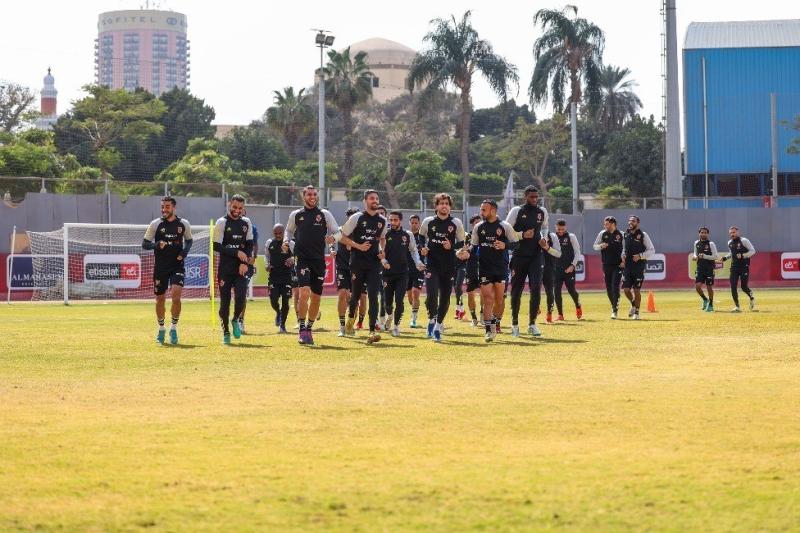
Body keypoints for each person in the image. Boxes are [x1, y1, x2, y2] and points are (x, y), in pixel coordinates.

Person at [284, 185, 338, 345]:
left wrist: (333, 238)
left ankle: (309, 328)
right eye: (309, 194)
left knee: (316, 297)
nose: (312, 197)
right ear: (303, 196)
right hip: (302, 258)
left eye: (314, 194)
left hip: (319, 260)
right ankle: (302, 329)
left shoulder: (325, 214)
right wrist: (286, 241)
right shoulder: (296, 214)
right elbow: (289, 230)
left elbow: (337, 231)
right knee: (304, 292)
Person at [337, 190, 388, 344]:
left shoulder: (382, 220)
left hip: (374, 264)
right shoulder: (356, 217)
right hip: (357, 263)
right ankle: (350, 321)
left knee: (373, 295)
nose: (375, 200)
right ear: (365, 201)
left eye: (377, 198)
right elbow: (341, 236)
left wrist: (382, 251)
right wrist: (358, 246)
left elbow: (382, 239)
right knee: (355, 296)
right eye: (372, 198)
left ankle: (372, 330)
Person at [142, 196, 193, 345]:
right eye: (162, 207)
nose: (164, 209)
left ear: (174, 208)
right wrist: (156, 244)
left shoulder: (183, 224)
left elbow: (189, 240)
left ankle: (174, 328)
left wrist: (184, 252)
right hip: (161, 267)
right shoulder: (155, 224)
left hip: (177, 266)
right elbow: (144, 244)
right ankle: (161, 328)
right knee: (160, 299)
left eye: (167, 207)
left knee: (176, 296)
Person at [419, 193, 469, 342]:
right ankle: (431, 319)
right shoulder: (428, 221)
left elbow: (462, 242)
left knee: (445, 298)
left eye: (447, 203)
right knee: (431, 295)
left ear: (450, 207)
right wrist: (423, 248)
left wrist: (451, 246)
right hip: (432, 264)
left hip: (449, 266)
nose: (444, 206)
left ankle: (437, 326)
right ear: (436, 206)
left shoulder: (456, 222)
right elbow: (421, 236)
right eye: (441, 203)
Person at [470, 200, 518, 342]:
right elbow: (473, 246)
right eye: (481, 209)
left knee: (499, 300)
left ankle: (496, 321)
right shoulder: (478, 227)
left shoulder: (505, 226)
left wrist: (505, 245)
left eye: (484, 210)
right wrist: (466, 253)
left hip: (501, 268)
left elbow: (516, 244)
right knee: (487, 299)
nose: (481, 212)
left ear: (493, 211)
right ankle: (488, 330)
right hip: (484, 268)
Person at [505, 185, 549, 337]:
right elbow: (506, 231)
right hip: (519, 255)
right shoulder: (516, 211)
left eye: (536, 197)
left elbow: (544, 228)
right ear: (525, 197)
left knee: (536, 288)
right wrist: (522, 235)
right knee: (517, 290)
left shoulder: (542, 212)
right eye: (531, 197)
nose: (535, 199)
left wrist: (544, 238)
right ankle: (514, 323)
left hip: (536, 256)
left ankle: (532, 324)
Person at [212, 194, 254, 344]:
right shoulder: (222, 222)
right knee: (225, 302)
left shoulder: (246, 222)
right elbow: (216, 246)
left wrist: (245, 262)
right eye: (235, 207)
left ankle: (235, 319)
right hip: (225, 269)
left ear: (244, 208)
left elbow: (249, 244)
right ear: (230, 204)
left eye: (240, 208)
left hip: (241, 268)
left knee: (241, 298)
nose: (237, 210)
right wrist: (236, 252)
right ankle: (226, 332)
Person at [381, 211, 425, 336]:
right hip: (387, 273)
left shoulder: (407, 234)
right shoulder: (385, 234)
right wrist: (383, 261)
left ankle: (396, 326)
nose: (392, 222)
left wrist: (418, 262)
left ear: (400, 221)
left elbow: (413, 250)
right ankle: (390, 316)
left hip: (402, 273)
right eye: (391, 220)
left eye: (395, 220)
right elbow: (380, 250)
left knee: (399, 300)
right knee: (387, 303)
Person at [332, 207, 365, 336]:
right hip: (342, 267)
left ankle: (350, 325)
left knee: (354, 299)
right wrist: (332, 250)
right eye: (351, 217)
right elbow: (331, 240)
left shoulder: (361, 233)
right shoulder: (341, 231)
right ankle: (341, 327)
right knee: (342, 294)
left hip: (357, 268)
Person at [621, 215, 655, 320]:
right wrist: (623, 255)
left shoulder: (643, 235)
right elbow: (623, 248)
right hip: (627, 266)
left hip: (639, 266)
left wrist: (640, 256)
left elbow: (651, 250)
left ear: (637, 223)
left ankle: (636, 312)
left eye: (633, 221)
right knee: (626, 289)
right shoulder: (625, 234)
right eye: (629, 221)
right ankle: (633, 304)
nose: (630, 223)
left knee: (636, 290)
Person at [593, 216, 624, 319]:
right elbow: (595, 246)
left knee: (615, 286)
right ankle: (614, 305)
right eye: (604, 224)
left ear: (613, 224)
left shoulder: (621, 234)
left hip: (618, 265)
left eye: (607, 224)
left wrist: (624, 261)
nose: (605, 226)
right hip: (606, 264)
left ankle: (615, 310)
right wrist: (601, 246)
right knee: (608, 288)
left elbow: (626, 248)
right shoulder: (602, 234)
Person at [265, 223, 294, 332]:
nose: (277, 235)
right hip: (273, 276)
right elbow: (267, 256)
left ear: (284, 232)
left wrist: (292, 259)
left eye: (280, 233)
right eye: (275, 233)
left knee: (285, 301)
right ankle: (278, 312)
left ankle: (282, 325)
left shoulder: (290, 243)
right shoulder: (269, 243)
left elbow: (298, 256)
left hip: (287, 276)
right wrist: (267, 264)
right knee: (273, 300)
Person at [553, 219, 582, 320]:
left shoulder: (571, 236)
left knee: (571, 290)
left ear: (566, 227)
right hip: (556, 270)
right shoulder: (552, 237)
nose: (561, 231)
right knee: (556, 291)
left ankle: (578, 306)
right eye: (559, 229)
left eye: (562, 229)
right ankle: (560, 315)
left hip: (569, 269)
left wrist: (572, 265)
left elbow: (577, 252)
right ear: (555, 227)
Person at [722, 226, 756, 312]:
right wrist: (725, 258)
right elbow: (731, 253)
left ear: (738, 232)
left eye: (734, 232)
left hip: (744, 266)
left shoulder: (744, 240)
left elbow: (752, 251)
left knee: (744, 287)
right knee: (733, 286)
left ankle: (751, 296)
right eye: (731, 233)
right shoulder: (729, 242)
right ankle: (737, 307)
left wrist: (743, 255)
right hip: (734, 267)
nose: (732, 234)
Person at [237, 208, 258, 334]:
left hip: (246, 264)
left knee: (242, 292)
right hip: (232, 263)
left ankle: (240, 320)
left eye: (242, 209)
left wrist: (254, 256)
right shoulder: (227, 224)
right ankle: (233, 318)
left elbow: (255, 243)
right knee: (234, 293)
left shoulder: (251, 227)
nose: (240, 211)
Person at [692, 226, 719, 312]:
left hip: (709, 268)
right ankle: (705, 299)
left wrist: (705, 256)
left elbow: (716, 256)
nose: (703, 234)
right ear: (699, 233)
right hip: (700, 268)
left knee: (709, 287)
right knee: (697, 287)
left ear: (708, 234)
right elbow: (695, 253)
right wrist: (695, 257)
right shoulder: (696, 243)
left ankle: (710, 304)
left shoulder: (711, 244)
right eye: (702, 232)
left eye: (705, 233)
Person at [406, 214, 426, 328]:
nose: (414, 225)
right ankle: (414, 311)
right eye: (412, 223)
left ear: (419, 223)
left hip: (419, 269)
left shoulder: (422, 237)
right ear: (409, 223)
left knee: (415, 293)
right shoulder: (405, 236)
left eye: (416, 223)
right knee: (410, 297)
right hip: (406, 270)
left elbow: (428, 250)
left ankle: (413, 319)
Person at [465, 214, 483, 326]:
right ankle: (473, 317)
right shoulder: (468, 236)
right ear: (472, 224)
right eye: (476, 222)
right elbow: (466, 250)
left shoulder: (486, 235)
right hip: (471, 267)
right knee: (470, 294)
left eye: (480, 222)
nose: (478, 224)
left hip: (484, 267)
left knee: (484, 292)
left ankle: (482, 314)